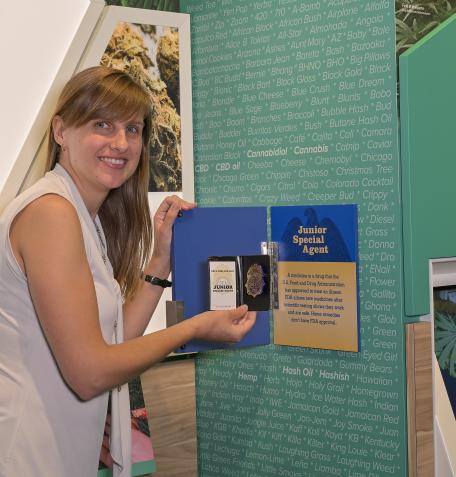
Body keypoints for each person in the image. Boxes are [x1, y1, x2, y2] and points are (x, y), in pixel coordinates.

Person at [0, 66, 256, 477]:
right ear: (61, 131)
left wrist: (160, 261)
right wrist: (192, 329)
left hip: (61, 453)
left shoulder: (85, 217)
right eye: (103, 124)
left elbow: (113, 341)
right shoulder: (51, 212)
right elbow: (90, 373)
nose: (121, 143)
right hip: (27, 455)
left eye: (133, 129)